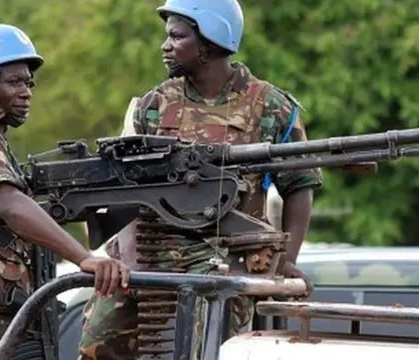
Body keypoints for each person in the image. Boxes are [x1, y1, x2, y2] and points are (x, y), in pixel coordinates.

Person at [78, 1, 323, 359]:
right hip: (151, 256)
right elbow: (126, 190)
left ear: (209, 42)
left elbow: (299, 187)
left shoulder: (268, 105)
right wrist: (131, 262)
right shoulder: (154, 104)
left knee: (209, 350)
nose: (165, 46)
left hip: (225, 260)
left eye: (177, 36)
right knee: (98, 347)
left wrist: (286, 259)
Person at [0, 24, 130, 360]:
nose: (27, 92)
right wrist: (84, 257)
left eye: (29, 83)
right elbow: (10, 205)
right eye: (14, 82)